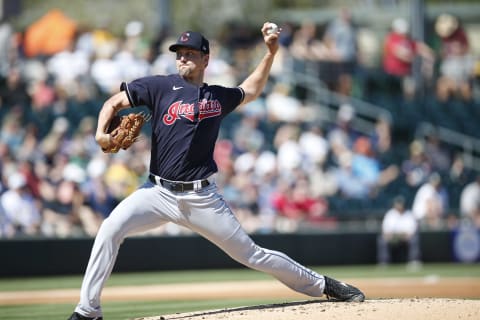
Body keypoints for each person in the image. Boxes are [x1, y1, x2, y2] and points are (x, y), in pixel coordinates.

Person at [67, 23, 365, 320]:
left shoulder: (217, 96)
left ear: (205, 59)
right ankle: (88, 311)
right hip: (156, 193)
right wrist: (100, 134)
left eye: (189, 53)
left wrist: (270, 53)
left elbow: (250, 90)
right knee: (109, 229)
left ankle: (324, 284)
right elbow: (113, 102)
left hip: (202, 198)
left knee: (252, 254)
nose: (182, 58)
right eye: (179, 53)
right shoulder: (159, 87)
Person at [377, 195, 421, 268]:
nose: (399, 206)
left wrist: (407, 235)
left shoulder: (409, 214)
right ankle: (384, 262)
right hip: (393, 236)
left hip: (405, 236)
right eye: (398, 204)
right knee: (382, 240)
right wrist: (389, 235)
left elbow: (412, 230)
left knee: (414, 239)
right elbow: (385, 230)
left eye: (401, 204)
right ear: (394, 204)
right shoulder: (390, 214)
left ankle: (414, 261)